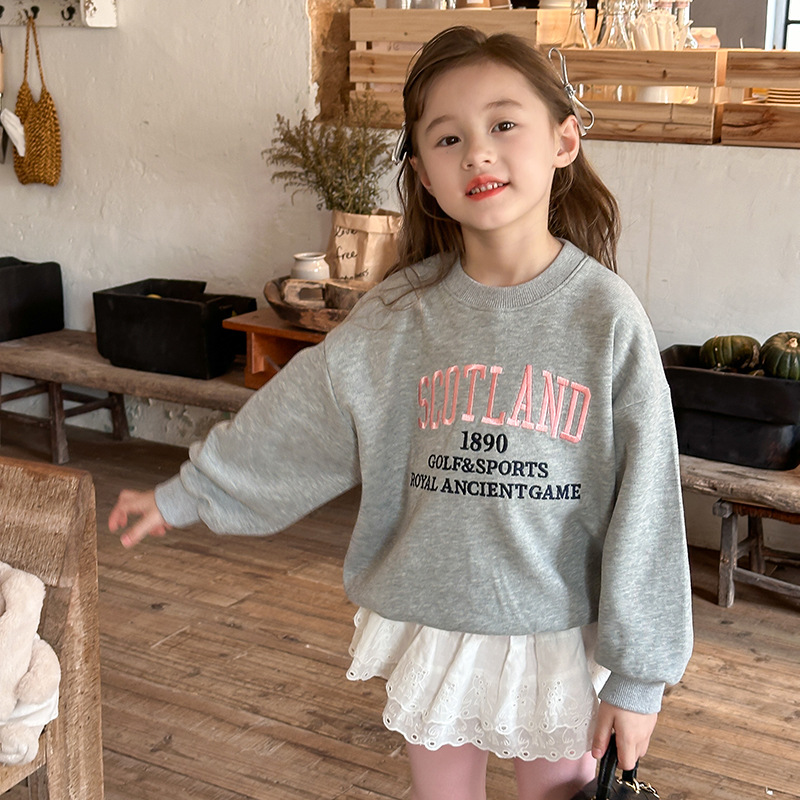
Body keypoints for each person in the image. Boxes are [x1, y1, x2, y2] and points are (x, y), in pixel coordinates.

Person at [109, 27, 693, 800]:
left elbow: (649, 503)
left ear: (564, 139)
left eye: (503, 124)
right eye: (448, 138)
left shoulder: (607, 316)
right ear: (422, 174)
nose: (478, 153)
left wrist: (639, 677)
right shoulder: (398, 315)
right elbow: (303, 415)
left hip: (554, 630)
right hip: (432, 621)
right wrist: (188, 494)